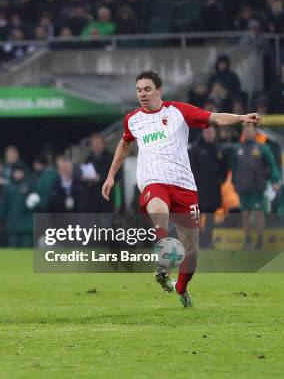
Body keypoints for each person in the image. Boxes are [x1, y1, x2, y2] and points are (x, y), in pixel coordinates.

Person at [102, 70, 261, 308]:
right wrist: (111, 175)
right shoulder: (132, 119)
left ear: (159, 91)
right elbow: (125, 144)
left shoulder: (178, 111)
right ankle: (164, 261)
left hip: (184, 185)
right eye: (138, 90)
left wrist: (241, 118)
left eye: (147, 89)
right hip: (154, 181)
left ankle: (181, 288)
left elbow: (214, 117)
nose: (142, 94)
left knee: (192, 253)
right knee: (159, 210)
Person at [232, 124, 280, 249]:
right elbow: (234, 168)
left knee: (259, 213)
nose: (248, 131)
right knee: (245, 214)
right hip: (243, 188)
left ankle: (260, 240)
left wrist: (275, 180)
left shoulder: (262, 148)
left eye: (250, 129)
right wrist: (234, 183)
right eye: (246, 129)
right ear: (243, 131)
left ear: (254, 132)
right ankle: (247, 239)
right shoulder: (238, 149)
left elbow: (272, 164)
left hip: (258, 187)